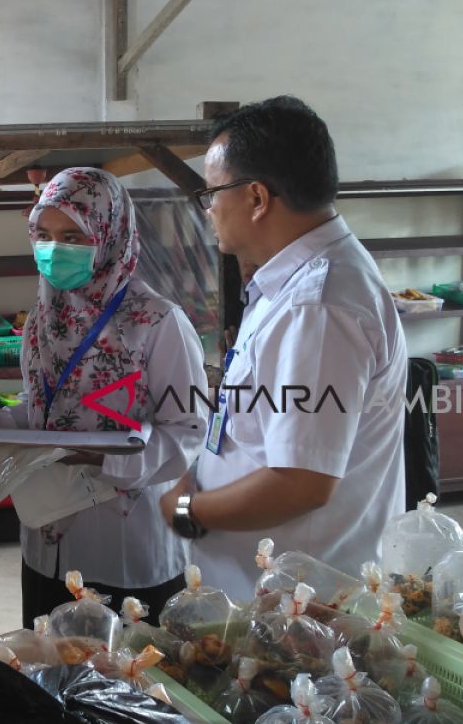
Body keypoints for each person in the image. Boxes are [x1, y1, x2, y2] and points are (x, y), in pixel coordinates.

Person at [159, 95, 408, 600]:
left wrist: (188, 510)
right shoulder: (294, 283)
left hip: (297, 605)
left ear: (257, 197)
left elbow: (301, 482)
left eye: (211, 194)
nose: (208, 210)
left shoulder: (317, 305)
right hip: (264, 589)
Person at [0, 167, 208, 628]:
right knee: (50, 676)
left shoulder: (157, 322)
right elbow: (47, 409)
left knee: (126, 683)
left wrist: (102, 457)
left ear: (109, 233)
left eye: (73, 235)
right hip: (46, 538)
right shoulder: (44, 316)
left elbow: (189, 431)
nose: (54, 249)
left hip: (122, 544)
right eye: (44, 234)